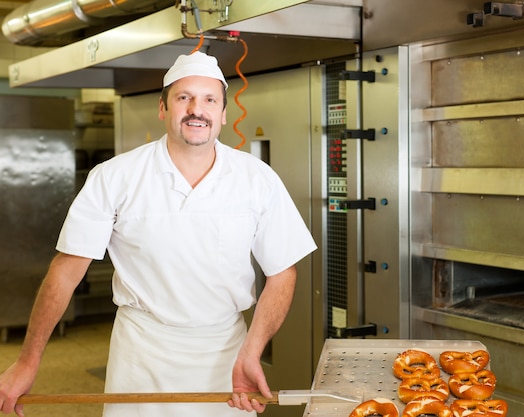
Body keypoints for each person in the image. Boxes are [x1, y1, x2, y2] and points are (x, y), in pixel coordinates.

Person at [0, 51, 317, 417]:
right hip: (141, 355)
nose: (197, 109)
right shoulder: (114, 176)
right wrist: (27, 361)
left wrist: (253, 350)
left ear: (224, 114)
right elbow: (66, 270)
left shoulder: (257, 179)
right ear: (163, 108)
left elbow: (282, 272)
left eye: (210, 99)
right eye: (184, 97)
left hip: (225, 354)